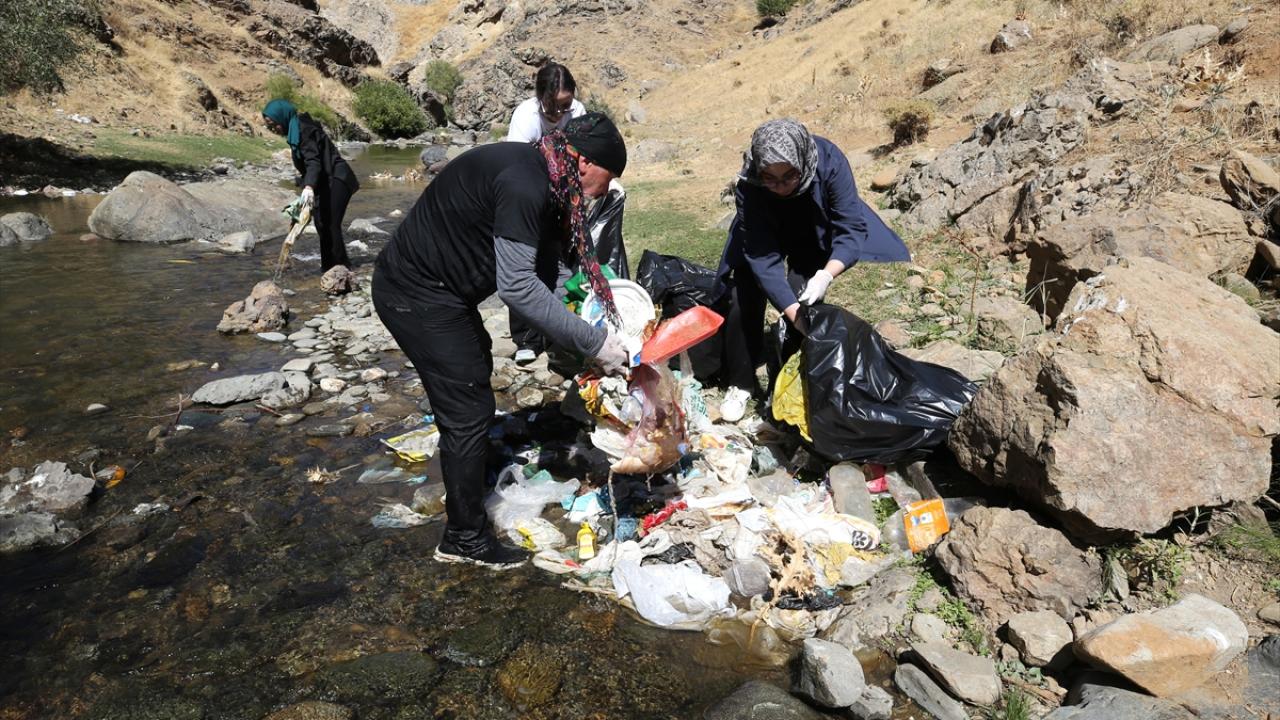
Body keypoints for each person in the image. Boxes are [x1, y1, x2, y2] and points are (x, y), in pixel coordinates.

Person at [373, 113, 630, 570]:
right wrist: (595, 344)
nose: (604, 193)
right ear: (585, 162)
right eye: (607, 180)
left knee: (474, 374)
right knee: (468, 405)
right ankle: (464, 538)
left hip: (446, 294)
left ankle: (466, 466)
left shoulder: (550, 179)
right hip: (415, 293)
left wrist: (589, 326)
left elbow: (553, 272)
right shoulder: (524, 183)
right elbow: (517, 287)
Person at [715, 119, 910, 420]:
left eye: (789, 176)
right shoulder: (751, 182)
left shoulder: (830, 161)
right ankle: (741, 383)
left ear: (802, 163)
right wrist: (790, 311)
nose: (780, 187)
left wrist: (825, 275)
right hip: (764, 229)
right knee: (743, 292)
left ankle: (787, 384)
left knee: (804, 299)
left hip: (811, 227)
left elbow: (850, 229)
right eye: (771, 178)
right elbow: (761, 257)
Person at [262, 99, 360, 274]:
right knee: (321, 224)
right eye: (269, 125)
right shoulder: (295, 130)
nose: (272, 128)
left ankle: (341, 269)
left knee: (330, 224)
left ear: (281, 117)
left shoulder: (303, 129)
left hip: (338, 178)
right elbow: (310, 166)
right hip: (325, 181)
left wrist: (308, 186)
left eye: (273, 124)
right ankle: (329, 268)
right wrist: (305, 192)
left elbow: (313, 162)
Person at [505, 62, 587, 143]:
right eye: (552, 106)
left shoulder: (577, 113)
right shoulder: (525, 115)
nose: (559, 113)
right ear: (540, 97)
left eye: (566, 106)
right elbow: (517, 154)